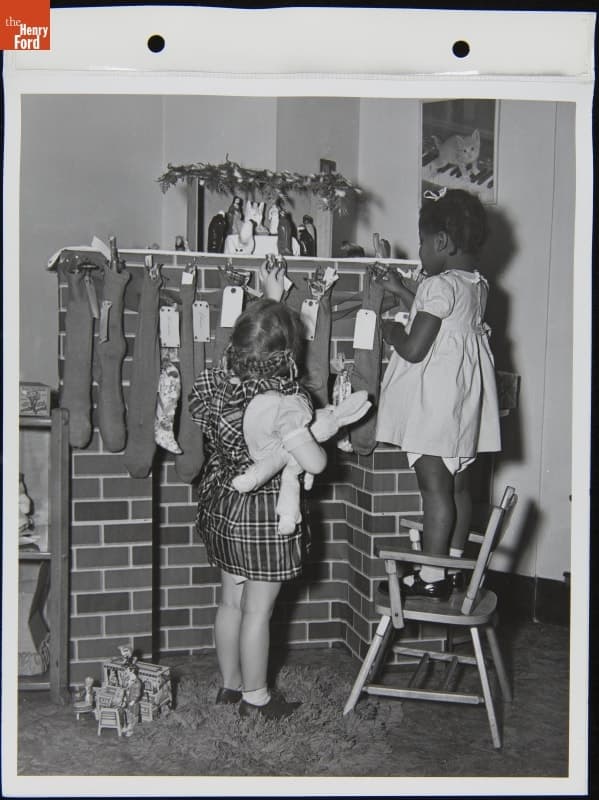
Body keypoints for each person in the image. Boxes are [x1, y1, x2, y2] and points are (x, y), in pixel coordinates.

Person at [189, 263, 327, 720]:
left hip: (225, 503)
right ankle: (257, 699)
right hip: (264, 515)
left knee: (231, 600)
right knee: (258, 612)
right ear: (288, 354)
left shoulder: (221, 384)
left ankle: (229, 687)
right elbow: (313, 462)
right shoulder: (281, 405)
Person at [375, 188, 501, 599]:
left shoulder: (437, 285)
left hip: (436, 407)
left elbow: (414, 348)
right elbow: (444, 317)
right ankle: (452, 565)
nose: (421, 251)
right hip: (463, 406)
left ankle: (431, 576)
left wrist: (392, 330)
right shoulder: (474, 284)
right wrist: (402, 291)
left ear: (442, 242)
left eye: (423, 243)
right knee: (458, 487)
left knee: (433, 489)